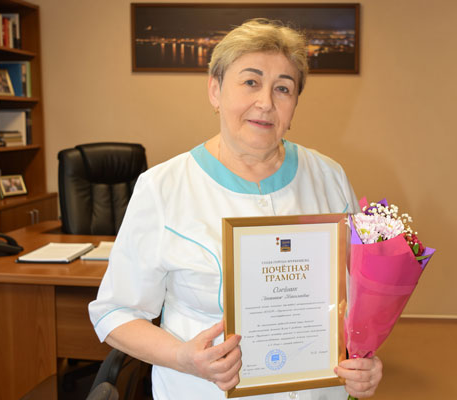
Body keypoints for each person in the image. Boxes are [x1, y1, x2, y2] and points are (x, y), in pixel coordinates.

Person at [89, 18, 382, 399]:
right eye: (250, 82)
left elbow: (359, 296)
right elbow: (115, 313)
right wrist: (183, 357)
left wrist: (363, 359)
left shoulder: (329, 177)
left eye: (283, 88)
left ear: (295, 103)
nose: (266, 103)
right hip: (202, 390)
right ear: (215, 90)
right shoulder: (163, 187)